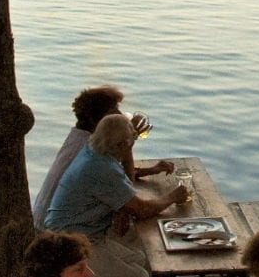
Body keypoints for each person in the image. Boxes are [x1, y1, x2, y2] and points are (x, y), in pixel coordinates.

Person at [40, 114, 189, 277]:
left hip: (87, 233)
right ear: (120, 146)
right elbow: (141, 210)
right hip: (72, 242)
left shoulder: (93, 150)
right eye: (131, 141)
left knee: (139, 260)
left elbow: (123, 179)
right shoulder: (100, 168)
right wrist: (172, 197)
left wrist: (146, 170)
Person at [33, 86, 173, 222]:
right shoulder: (90, 149)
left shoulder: (80, 138)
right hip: (58, 234)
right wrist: (128, 141)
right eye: (113, 111)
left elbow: (113, 176)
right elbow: (137, 206)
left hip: (47, 221)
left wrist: (149, 170)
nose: (119, 115)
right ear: (98, 120)